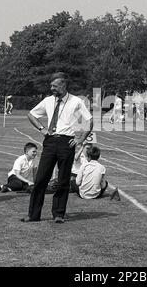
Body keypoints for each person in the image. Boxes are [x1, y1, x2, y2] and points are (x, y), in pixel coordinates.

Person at [22, 72, 93, 223]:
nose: (52, 88)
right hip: (50, 141)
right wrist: (42, 129)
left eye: (55, 86)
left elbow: (89, 120)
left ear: (64, 85)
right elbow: (31, 114)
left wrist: (80, 139)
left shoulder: (76, 101)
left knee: (63, 180)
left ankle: (58, 214)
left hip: (67, 142)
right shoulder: (48, 100)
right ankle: (33, 215)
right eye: (51, 85)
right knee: (41, 178)